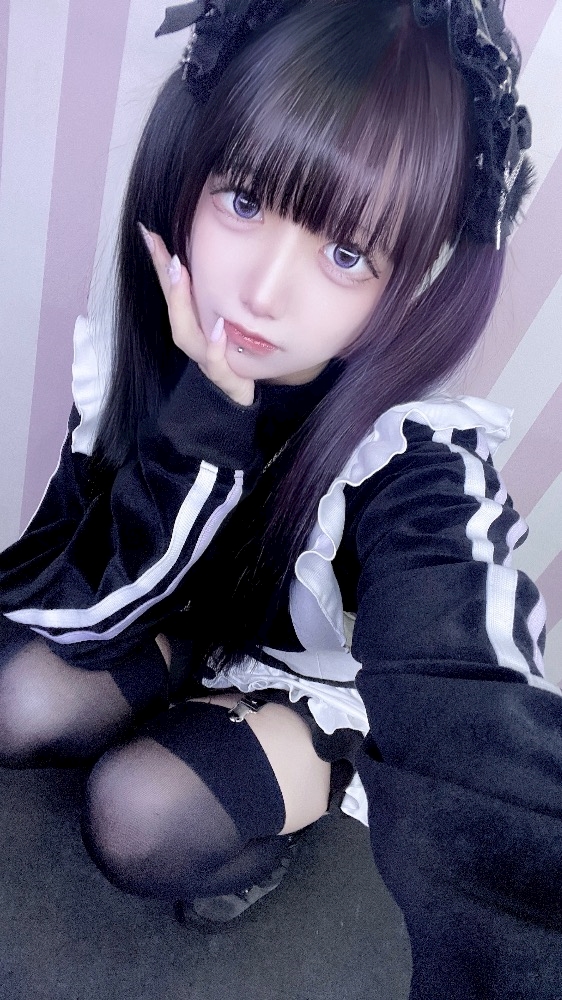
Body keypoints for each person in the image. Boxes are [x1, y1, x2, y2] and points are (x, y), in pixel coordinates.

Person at [0, 0, 560, 995]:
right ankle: (191, 715)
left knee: (139, 814)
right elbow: (83, 588)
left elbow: (474, 707)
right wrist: (207, 411)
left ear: (409, 278)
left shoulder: (417, 461)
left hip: (300, 681)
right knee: (21, 696)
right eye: (247, 200)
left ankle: (263, 842)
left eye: (346, 254)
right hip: (184, 614)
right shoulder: (144, 351)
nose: (262, 291)